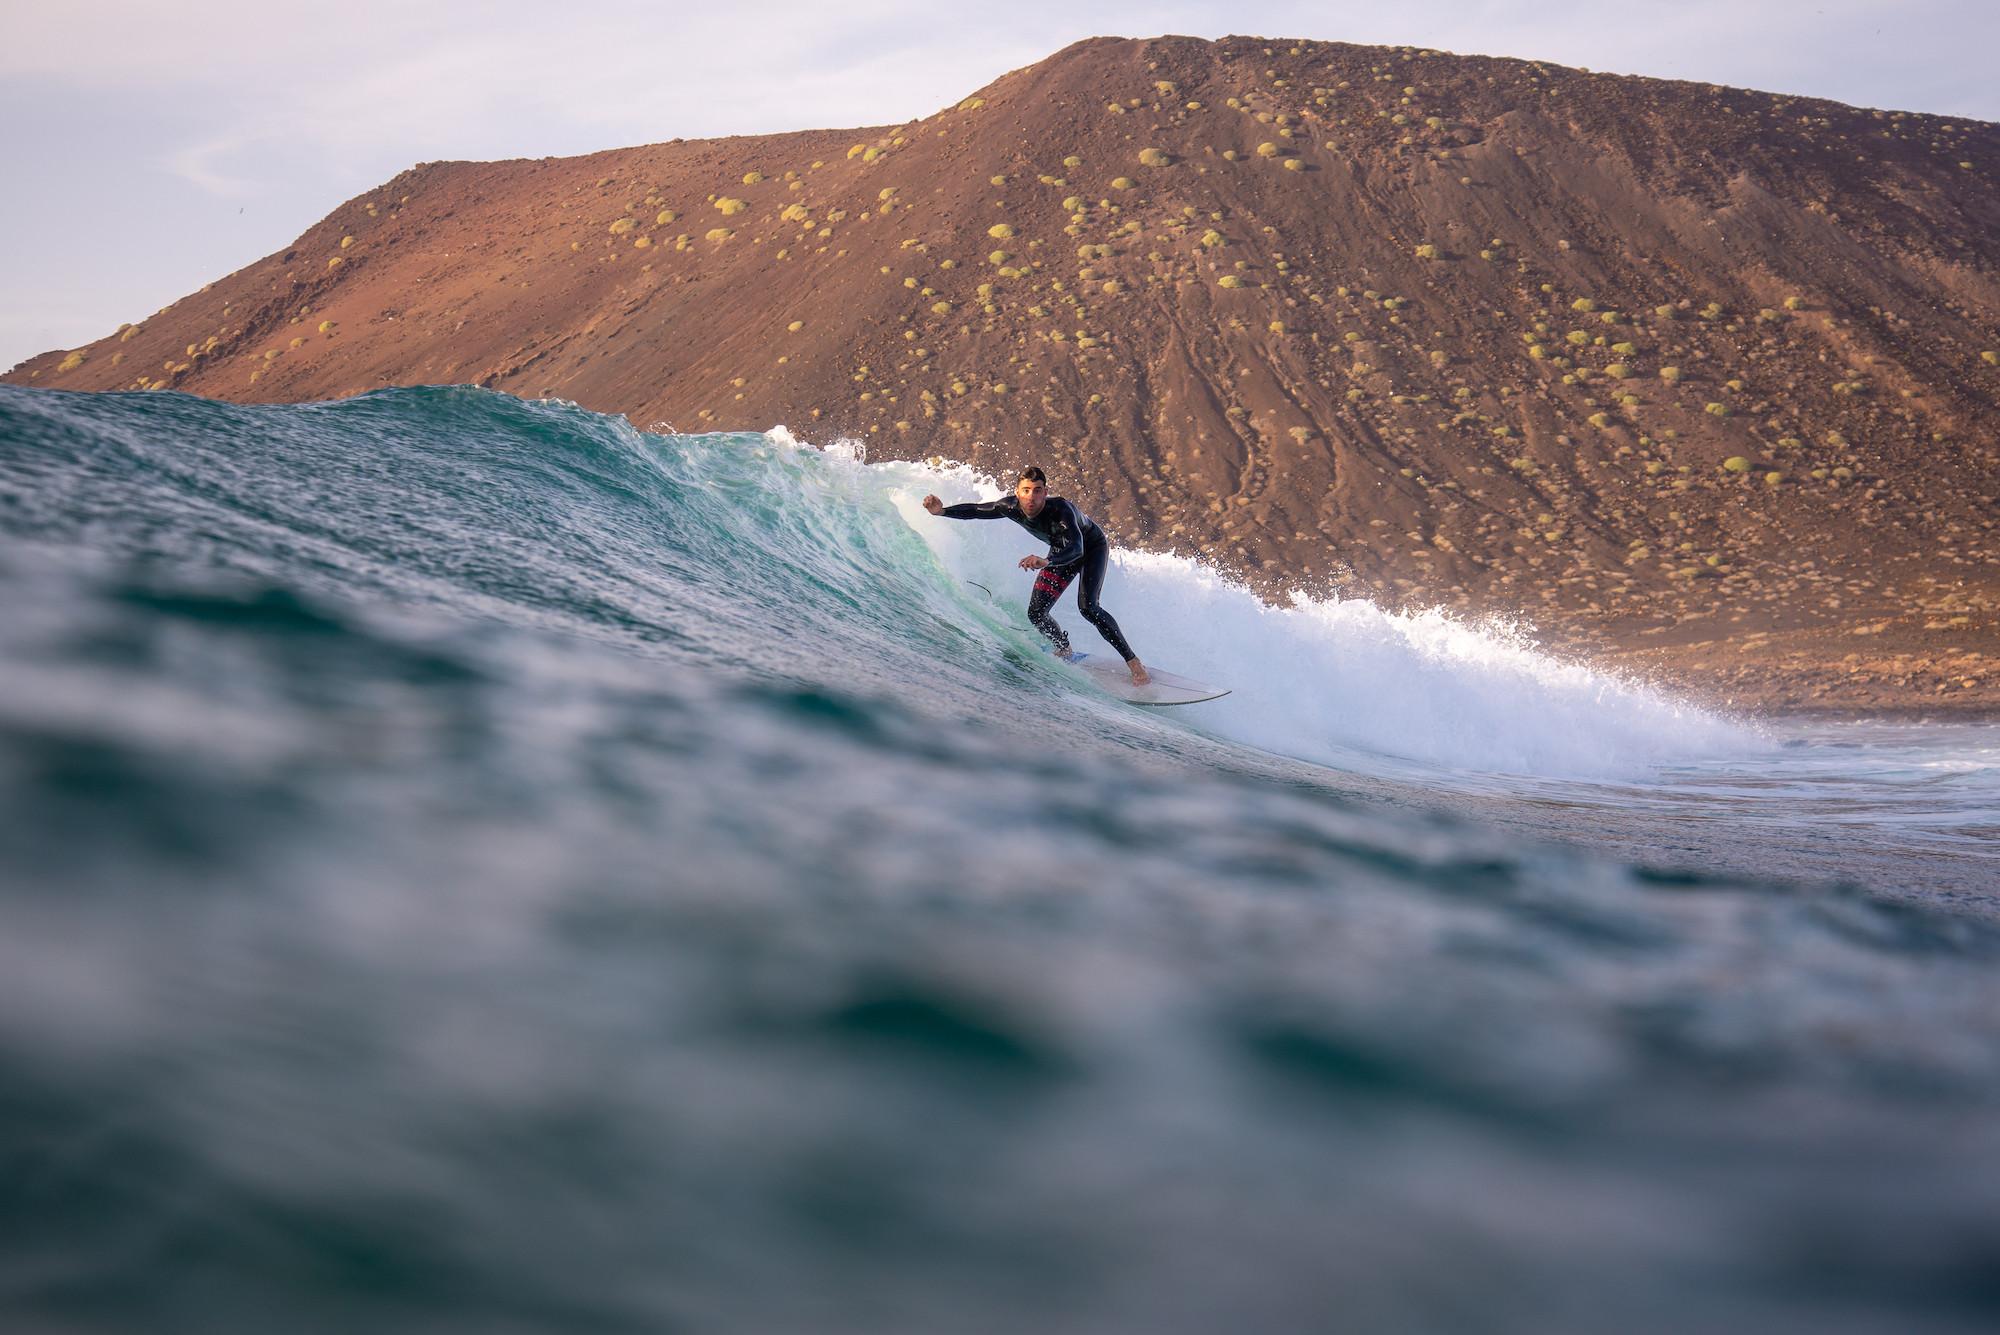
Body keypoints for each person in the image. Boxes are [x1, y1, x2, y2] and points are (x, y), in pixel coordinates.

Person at [923, 467, 1150, 685]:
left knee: (1088, 607)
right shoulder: (1009, 507)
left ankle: (1134, 662)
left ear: (1045, 492)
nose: (1032, 497)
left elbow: (1077, 549)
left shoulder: (1061, 510)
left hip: (1090, 547)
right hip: (1060, 552)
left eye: (1038, 490)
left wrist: (1047, 561)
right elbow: (975, 511)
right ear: (1017, 493)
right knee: (1036, 613)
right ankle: (1064, 647)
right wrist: (942, 511)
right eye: (1026, 490)